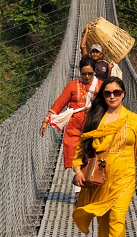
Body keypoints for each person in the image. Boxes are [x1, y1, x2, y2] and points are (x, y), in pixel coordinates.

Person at [71, 76, 137, 237]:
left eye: (116, 92)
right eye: (108, 93)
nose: (112, 96)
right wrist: (77, 171)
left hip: (125, 177)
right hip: (100, 178)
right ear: (103, 95)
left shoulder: (133, 120)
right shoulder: (95, 118)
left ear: (123, 94)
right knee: (103, 218)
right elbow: (80, 148)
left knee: (117, 217)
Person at [39, 56, 100, 194]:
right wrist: (45, 120)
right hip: (73, 128)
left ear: (95, 72)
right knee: (74, 158)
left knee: (90, 159)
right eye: (84, 73)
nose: (87, 76)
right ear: (80, 72)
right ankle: (79, 193)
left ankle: (89, 190)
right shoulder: (72, 85)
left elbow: (110, 104)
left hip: (93, 128)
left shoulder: (100, 86)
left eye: (90, 73)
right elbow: (59, 103)